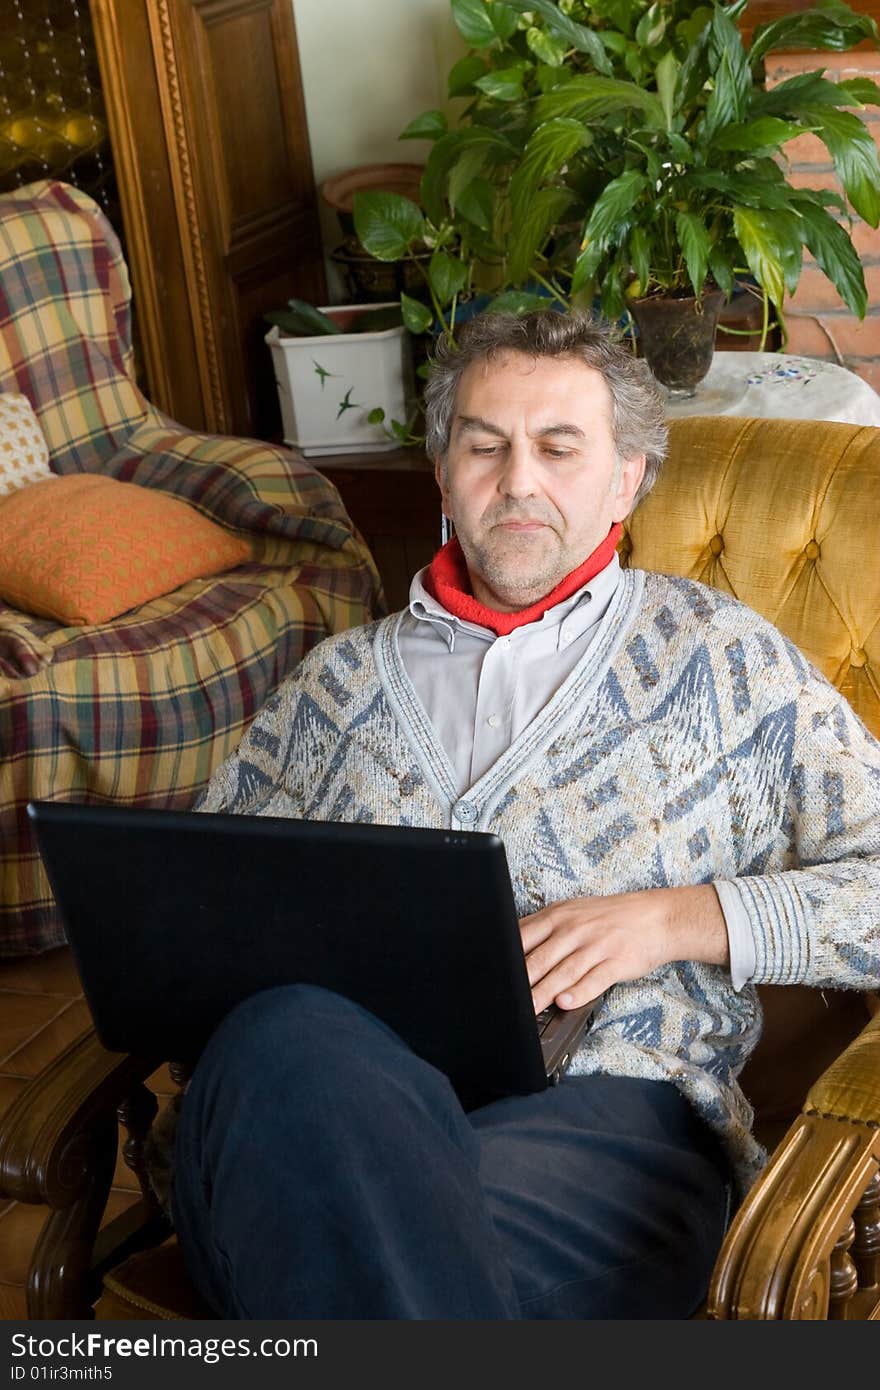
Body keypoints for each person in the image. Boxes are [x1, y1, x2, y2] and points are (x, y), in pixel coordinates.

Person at [170, 310, 880, 1320]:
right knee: (286, 1042)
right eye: (484, 444)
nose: (517, 482)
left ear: (626, 476)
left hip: (607, 1126)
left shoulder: (720, 660)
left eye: (559, 447)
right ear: (443, 472)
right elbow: (194, 918)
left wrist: (675, 917)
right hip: (322, 1106)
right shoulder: (327, 690)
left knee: (328, 1230)